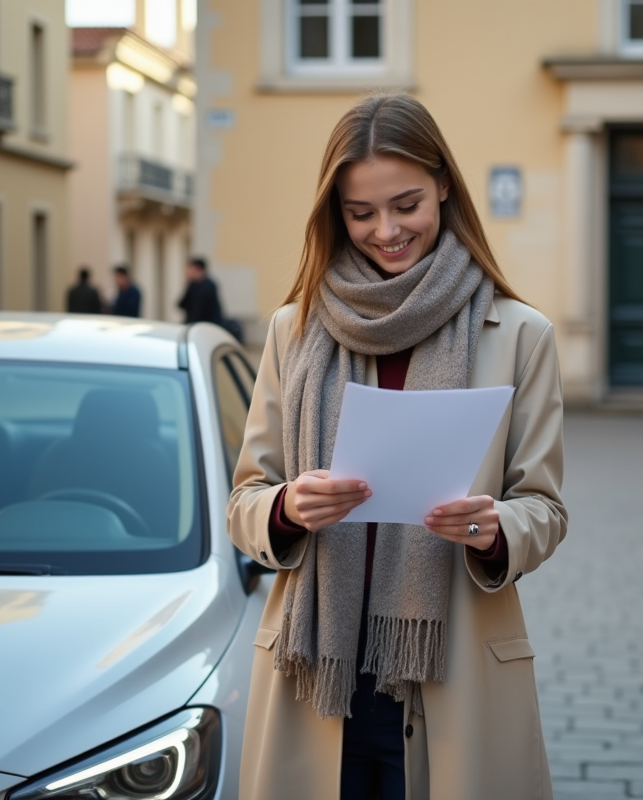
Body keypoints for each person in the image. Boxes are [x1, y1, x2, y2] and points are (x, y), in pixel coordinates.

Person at [226, 93, 567, 800]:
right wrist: (288, 507)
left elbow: (545, 507)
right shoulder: (294, 330)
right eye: (361, 213)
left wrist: (493, 528)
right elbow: (246, 500)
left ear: (445, 184)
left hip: (453, 672)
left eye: (406, 204)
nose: (386, 230)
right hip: (319, 680)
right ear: (336, 214)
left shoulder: (520, 334)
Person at [177, 256, 224, 325]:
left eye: (189, 268)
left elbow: (198, 311)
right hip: (197, 325)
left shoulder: (208, 286)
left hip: (207, 326)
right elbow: (181, 304)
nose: (187, 271)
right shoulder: (193, 285)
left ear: (197, 268)